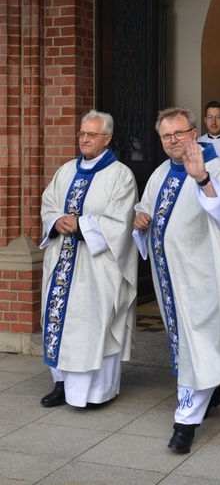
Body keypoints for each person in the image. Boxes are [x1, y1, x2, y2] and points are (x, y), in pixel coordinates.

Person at [133, 106, 220, 454]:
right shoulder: (158, 173)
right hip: (170, 278)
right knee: (187, 338)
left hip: (202, 276)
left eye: (180, 133)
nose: (173, 141)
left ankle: (185, 424)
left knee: (197, 338)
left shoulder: (216, 166)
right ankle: (211, 391)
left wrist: (202, 180)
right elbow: (147, 206)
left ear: (194, 132)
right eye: (166, 136)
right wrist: (141, 217)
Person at [39, 110, 138, 408]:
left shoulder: (120, 175)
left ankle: (97, 392)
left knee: (92, 324)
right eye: (82, 133)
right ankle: (61, 384)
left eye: (92, 135)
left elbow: (122, 220)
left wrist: (82, 225)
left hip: (96, 268)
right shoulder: (66, 170)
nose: (84, 139)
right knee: (61, 319)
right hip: (62, 262)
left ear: (106, 139)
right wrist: (56, 221)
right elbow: (49, 202)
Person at [197, 100, 220, 164]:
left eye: (218, 118)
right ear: (205, 120)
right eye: (210, 117)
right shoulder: (198, 143)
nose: (213, 122)